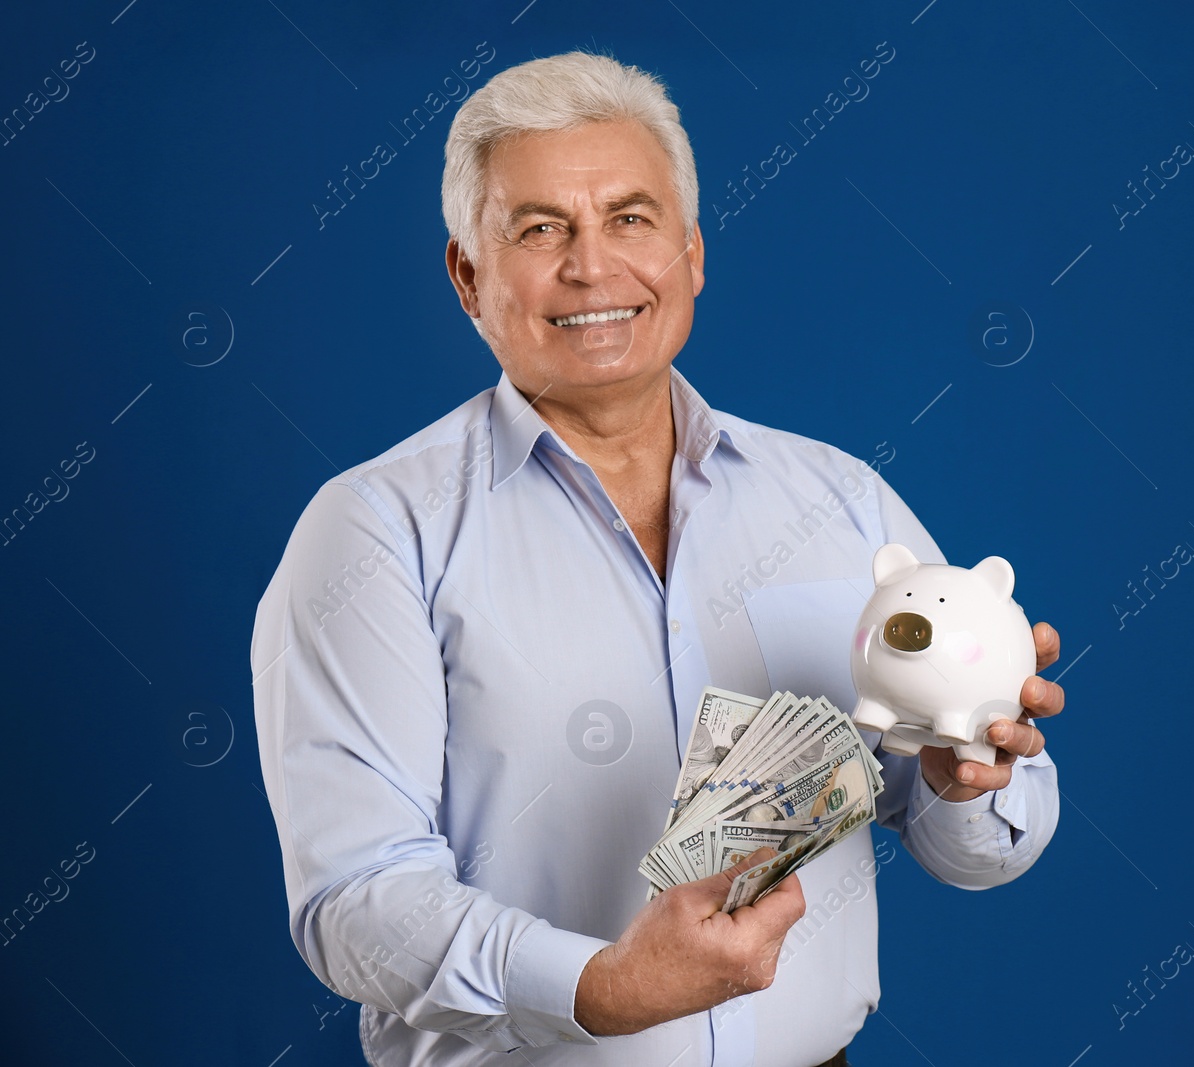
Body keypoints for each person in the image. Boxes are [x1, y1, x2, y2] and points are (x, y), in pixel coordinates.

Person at [251, 50, 1062, 1067]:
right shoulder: (377, 531)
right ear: (468, 275)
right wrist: (600, 988)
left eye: (630, 219)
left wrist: (962, 779)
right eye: (540, 228)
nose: (592, 267)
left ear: (689, 253)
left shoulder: (842, 500)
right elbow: (355, 898)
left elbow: (974, 854)